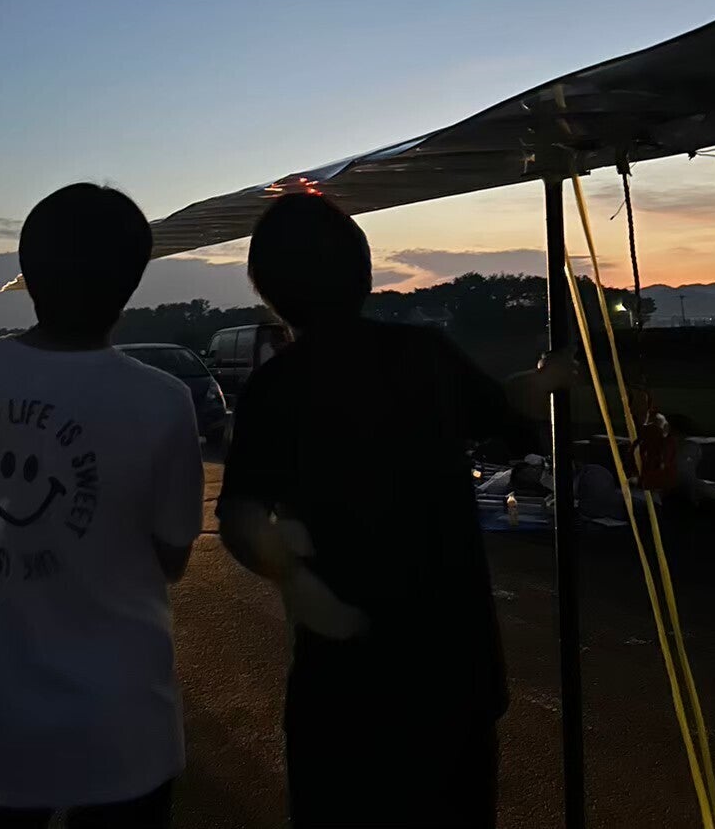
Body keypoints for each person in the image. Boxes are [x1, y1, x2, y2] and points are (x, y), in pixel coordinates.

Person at [216, 192, 573, 829]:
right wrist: (548, 379)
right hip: (453, 676)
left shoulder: (274, 388)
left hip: (340, 688)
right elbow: (505, 409)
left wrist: (292, 574)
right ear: (364, 273)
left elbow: (240, 518)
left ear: (269, 293)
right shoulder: (426, 355)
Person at [0, 184, 205, 828]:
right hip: (126, 726)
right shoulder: (164, 401)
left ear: (26, 275)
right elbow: (173, 558)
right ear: (131, 283)